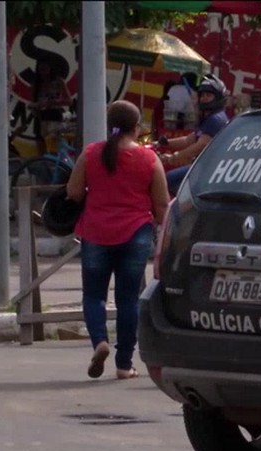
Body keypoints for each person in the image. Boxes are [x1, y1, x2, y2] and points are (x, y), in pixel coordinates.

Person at [65, 100, 170, 380]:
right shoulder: (149, 159)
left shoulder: (91, 153)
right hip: (135, 233)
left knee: (94, 295)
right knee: (128, 300)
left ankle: (99, 341)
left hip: (96, 232)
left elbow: (74, 191)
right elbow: (162, 205)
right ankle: (124, 364)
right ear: (136, 128)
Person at [158, 73, 230, 196]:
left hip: (207, 169)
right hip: (203, 167)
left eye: (209, 95)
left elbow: (200, 145)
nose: (204, 98)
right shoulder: (208, 117)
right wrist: (164, 143)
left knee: (167, 180)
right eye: (202, 95)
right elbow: (188, 140)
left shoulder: (216, 119)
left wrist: (173, 157)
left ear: (218, 97)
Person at [32, 59, 72, 155]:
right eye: (40, 70)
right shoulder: (37, 84)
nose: (43, 73)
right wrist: (35, 106)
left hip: (54, 116)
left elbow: (69, 101)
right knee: (40, 145)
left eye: (45, 69)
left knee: (54, 145)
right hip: (40, 117)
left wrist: (52, 103)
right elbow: (33, 101)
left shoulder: (59, 82)